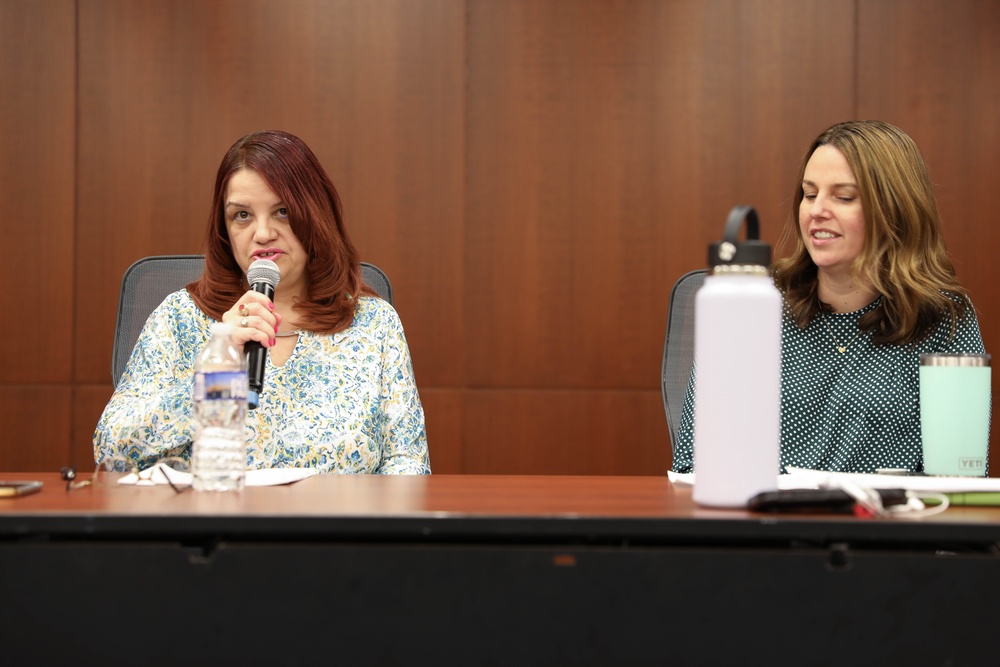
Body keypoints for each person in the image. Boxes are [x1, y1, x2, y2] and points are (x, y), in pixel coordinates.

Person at [94, 130, 430, 475]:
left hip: (338, 527)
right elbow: (113, 453)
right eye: (242, 215)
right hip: (220, 525)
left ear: (314, 216)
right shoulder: (180, 319)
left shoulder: (374, 324)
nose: (263, 233)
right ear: (224, 231)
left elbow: (408, 464)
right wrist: (219, 370)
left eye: (282, 211)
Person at [672, 120, 985, 474]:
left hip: (884, 526)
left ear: (895, 210)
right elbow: (693, 462)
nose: (817, 210)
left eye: (844, 196)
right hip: (763, 524)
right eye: (809, 194)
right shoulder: (754, 303)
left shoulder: (941, 315)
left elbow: (960, 482)